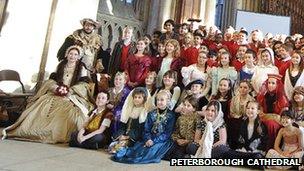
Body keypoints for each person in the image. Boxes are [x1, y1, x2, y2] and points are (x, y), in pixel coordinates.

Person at [2, 46, 94, 143]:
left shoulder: (81, 68)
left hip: (72, 94)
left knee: (70, 110)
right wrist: (55, 88)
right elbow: (52, 80)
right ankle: (35, 129)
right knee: (42, 104)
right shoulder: (61, 65)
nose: (73, 56)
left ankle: (55, 132)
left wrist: (71, 91)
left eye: (75, 54)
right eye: (71, 54)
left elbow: (83, 84)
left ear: (78, 57)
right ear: (67, 55)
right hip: (56, 93)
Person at [112, 90, 176, 164]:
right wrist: (148, 139)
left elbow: (167, 133)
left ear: (167, 101)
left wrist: (154, 141)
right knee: (137, 150)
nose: (159, 102)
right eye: (158, 100)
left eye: (162, 100)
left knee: (150, 151)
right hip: (149, 138)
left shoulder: (171, 115)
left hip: (161, 139)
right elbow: (146, 129)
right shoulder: (151, 113)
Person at [109, 87, 150, 154]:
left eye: (139, 97)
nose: (136, 99)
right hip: (125, 135)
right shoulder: (129, 110)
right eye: (135, 97)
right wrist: (121, 135)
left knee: (121, 147)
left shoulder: (144, 112)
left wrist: (127, 137)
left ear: (144, 99)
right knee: (112, 146)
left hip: (135, 138)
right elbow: (123, 126)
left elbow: (142, 130)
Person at [257, 74, 289, 149]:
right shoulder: (263, 96)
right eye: (269, 83)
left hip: (278, 121)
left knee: (272, 124)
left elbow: (281, 117)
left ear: (277, 85)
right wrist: (270, 116)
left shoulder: (282, 98)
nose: (270, 85)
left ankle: (271, 147)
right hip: (264, 118)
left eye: (273, 83)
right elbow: (260, 112)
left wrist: (270, 116)